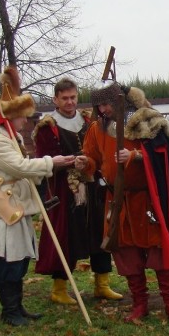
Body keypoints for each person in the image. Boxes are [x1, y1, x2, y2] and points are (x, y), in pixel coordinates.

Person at [79, 82, 169, 325]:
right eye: (98, 104)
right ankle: (140, 304)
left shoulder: (146, 122)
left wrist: (136, 156)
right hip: (118, 200)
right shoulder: (97, 128)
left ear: (121, 101)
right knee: (127, 252)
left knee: (158, 251)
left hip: (147, 199)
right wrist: (83, 164)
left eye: (106, 103)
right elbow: (92, 158)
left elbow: (165, 155)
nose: (102, 109)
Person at [0, 67, 74, 326]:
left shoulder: (11, 139)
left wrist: (41, 168)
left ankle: (17, 307)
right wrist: (50, 163)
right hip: (5, 207)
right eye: (22, 117)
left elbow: (23, 168)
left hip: (18, 205)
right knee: (9, 261)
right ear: (10, 118)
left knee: (19, 260)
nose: (26, 121)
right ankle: (9, 311)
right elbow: (19, 167)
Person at [32, 77, 122, 305]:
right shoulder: (47, 127)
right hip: (65, 190)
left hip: (93, 186)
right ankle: (59, 288)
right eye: (65, 98)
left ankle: (102, 284)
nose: (70, 102)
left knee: (100, 232)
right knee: (66, 237)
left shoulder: (88, 120)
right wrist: (65, 163)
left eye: (73, 97)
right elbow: (44, 161)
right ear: (56, 99)